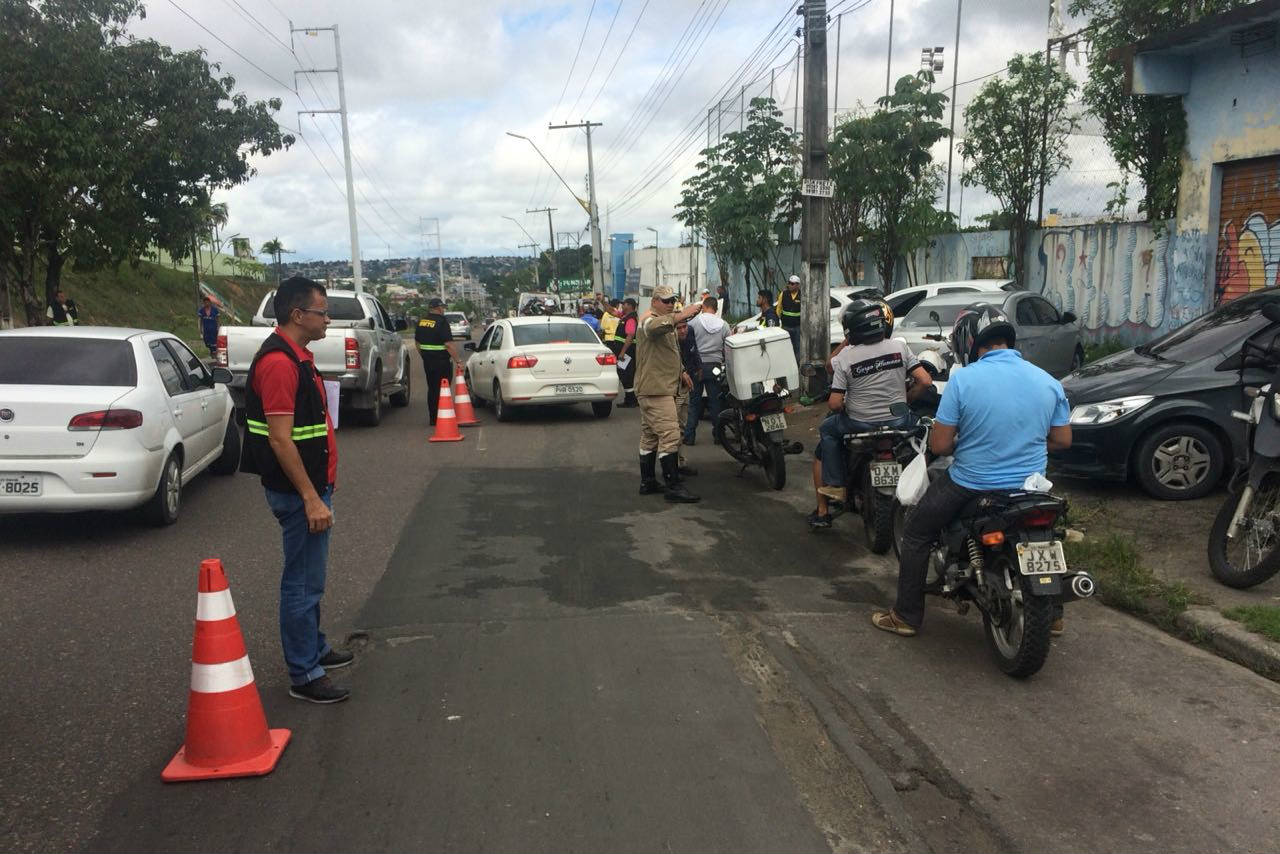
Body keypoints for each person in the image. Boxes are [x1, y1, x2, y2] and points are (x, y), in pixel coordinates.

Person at [871, 303, 1072, 637]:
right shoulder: (1048, 381)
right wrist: (1024, 443)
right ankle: (1053, 615)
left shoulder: (963, 380)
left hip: (972, 483)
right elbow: (1063, 440)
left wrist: (970, 442)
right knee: (1048, 537)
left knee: (917, 531)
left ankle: (905, 616)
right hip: (1031, 487)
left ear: (968, 342)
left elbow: (940, 445)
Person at [240, 276, 351, 704]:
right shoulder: (279, 364)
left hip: (313, 486)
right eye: (323, 312)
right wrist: (310, 498)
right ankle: (305, 672)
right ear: (298, 315)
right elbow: (280, 439)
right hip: (299, 493)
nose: (328, 319)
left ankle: (315, 648)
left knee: (311, 579)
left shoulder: (298, 357)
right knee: (302, 584)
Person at [809, 300, 933, 530]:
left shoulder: (845, 357)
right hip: (898, 420)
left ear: (852, 331)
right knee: (925, 431)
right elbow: (925, 381)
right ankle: (924, 489)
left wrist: (846, 406)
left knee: (827, 429)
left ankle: (835, 485)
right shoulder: (900, 348)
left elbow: (834, 403)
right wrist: (907, 400)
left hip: (859, 424)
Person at [635, 285, 704, 502]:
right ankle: (673, 486)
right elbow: (652, 327)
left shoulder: (665, 322)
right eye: (666, 301)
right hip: (656, 390)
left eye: (673, 300)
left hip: (659, 387)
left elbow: (669, 353)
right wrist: (682, 314)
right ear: (654, 301)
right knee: (670, 435)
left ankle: (648, 482)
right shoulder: (649, 320)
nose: (671, 304)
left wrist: (681, 371)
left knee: (650, 436)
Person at [684, 296, 729, 445]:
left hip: (697, 367)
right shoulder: (724, 325)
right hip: (715, 367)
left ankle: (689, 436)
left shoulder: (694, 322)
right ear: (716, 309)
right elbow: (728, 348)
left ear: (703, 307)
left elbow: (687, 342)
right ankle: (719, 435)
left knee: (694, 402)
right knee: (715, 402)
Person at [415, 297, 465, 426]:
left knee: (432, 389)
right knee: (443, 389)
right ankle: (443, 416)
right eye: (442, 307)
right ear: (438, 308)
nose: (443, 310)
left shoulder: (422, 321)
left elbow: (417, 343)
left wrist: (424, 356)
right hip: (441, 361)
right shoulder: (442, 322)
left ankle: (433, 418)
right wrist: (458, 361)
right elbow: (448, 344)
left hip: (428, 361)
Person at [675, 317, 701, 477]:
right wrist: (682, 372)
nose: (683, 330)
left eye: (684, 326)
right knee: (672, 428)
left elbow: (694, 350)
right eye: (679, 328)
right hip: (673, 388)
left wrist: (698, 366)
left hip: (686, 387)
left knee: (681, 428)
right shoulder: (667, 340)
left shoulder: (690, 332)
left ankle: (679, 462)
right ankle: (672, 466)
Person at [616, 298, 640, 407]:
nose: (622, 306)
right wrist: (602, 301)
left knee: (626, 375)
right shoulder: (625, 316)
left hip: (627, 354)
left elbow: (630, 336)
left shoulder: (630, 319)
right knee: (625, 374)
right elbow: (611, 311)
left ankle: (631, 401)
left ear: (630, 306)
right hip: (626, 353)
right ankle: (630, 399)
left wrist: (622, 352)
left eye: (624, 304)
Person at [777, 275, 803, 364]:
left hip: (797, 327)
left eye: (792, 284)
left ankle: (797, 365)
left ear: (797, 285)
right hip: (786, 326)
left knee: (797, 348)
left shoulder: (802, 295)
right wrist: (779, 320)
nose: (790, 285)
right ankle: (786, 364)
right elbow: (778, 308)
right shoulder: (783, 294)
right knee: (786, 347)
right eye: (789, 283)